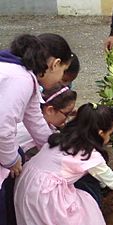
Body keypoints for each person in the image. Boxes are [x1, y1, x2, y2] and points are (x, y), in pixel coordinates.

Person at [14, 103, 113, 225]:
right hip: (45, 196)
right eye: (110, 133)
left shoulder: (63, 137)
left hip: (27, 182)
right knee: (87, 211)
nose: (110, 137)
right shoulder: (90, 155)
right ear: (101, 133)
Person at [0, 33, 72, 225]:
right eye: (62, 72)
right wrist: (11, 160)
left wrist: (55, 151)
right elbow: (2, 127)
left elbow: (35, 120)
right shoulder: (20, 78)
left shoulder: (24, 76)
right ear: (55, 64)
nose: (60, 81)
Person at [16, 84, 77, 154]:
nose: (68, 119)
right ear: (50, 110)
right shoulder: (40, 134)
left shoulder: (27, 116)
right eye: (66, 114)